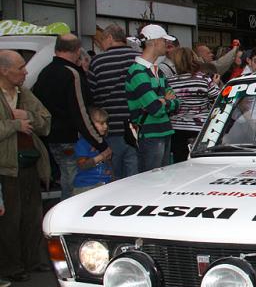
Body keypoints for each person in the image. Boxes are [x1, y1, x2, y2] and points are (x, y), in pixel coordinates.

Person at [33, 33, 109, 200]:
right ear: (76, 50)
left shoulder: (45, 72)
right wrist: (99, 142)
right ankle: (69, 215)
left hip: (50, 137)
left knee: (67, 177)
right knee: (74, 180)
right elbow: (81, 111)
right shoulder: (71, 74)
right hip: (70, 136)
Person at [0, 50, 51, 283]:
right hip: (6, 167)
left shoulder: (24, 93)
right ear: (4, 70)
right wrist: (15, 125)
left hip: (30, 162)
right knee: (10, 218)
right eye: (20, 67)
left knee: (32, 214)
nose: (26, 71)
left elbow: (45, 121)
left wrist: (26, 116)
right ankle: (12, 266)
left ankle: (33, 260)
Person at [126, 24, 180, 172]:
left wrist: (164, 102)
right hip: (150, 135)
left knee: (161, 179)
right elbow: (155, 108)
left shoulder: (157, 71)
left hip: (162, 132)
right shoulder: (137, 71)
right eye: (164, 41)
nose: (167, 45)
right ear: (155, 42)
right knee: (152, 181)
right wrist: (166, 101)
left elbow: (177, 103)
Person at [89, 24, 140, 179]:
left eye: (102, 41)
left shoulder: (98, 61)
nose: (101, 45)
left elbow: (91, 94)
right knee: (135, 174)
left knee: (114, 175)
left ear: (110, 38)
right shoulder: (139, 59)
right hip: (135, 127)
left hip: (110, 127)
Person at [166, 48, 220, 162]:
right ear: (194, 59)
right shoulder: (204, 79)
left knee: (179, 163)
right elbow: (218, 100)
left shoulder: (169, 81)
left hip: (177, 129)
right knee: (200, 163)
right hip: (199, 129)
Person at [73, 107, 113, 194]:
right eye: (102, 123)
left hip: (103, 183)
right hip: (87, 186)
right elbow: (83, 165)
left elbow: (106, 163)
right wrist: (102, 156)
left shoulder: (103, 142)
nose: (105, 126)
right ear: (89, 124)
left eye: (106, 123)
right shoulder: (83, 143)